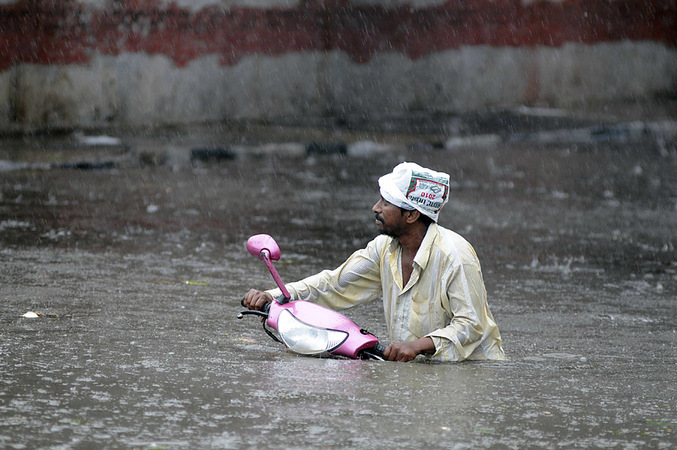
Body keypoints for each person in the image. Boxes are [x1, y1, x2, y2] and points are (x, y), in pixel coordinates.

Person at [243, 162, 505, 363]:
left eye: (385, 203)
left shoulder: (455, 256)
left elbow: (471, 326)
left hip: (472, 371)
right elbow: (334, 283)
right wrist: (273, 296)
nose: (375, 208)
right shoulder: (384, 249)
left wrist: (418, 345)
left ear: (412, 214)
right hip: (415, 368)